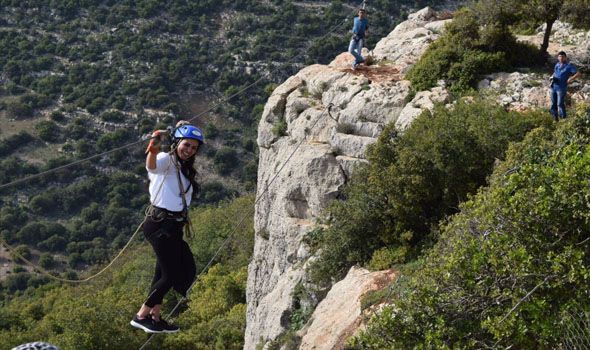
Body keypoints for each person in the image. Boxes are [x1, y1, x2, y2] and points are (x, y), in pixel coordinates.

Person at [130, 121, 203, 333]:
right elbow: (151, 165)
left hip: (173, 226)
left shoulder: (182, 167)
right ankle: (141, 315)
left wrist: (182, 124)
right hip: (160, 224)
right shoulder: (167, 161)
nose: (189, 150)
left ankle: (155, 316)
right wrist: (154, 141)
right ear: (177, 143)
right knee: (172, 274)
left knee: (163, 271)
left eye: (193, 147)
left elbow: (180, 130)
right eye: (186, 145)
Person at [550, 51, 581, 121]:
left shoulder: (569, 66)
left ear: (565, 57)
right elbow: (554, 72)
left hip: (561, 88)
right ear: (558, 57)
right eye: (559, 57)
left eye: (562, 57)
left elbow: (578, 73)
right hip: (553, 86)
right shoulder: (557, 65)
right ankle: (554, 120)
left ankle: (563, 120)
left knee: (560, 104)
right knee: (553, 104)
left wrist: (571, 78)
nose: (561, 58)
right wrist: (552, 77)